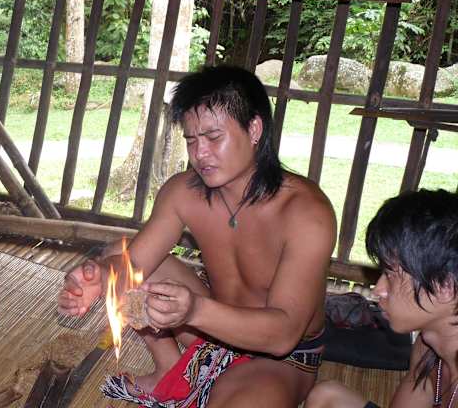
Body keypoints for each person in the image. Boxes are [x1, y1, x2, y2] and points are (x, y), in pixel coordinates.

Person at [58, 65, 337, 407]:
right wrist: (100, 276)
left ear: (254, 129)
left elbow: (282, 335)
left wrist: (194, 311)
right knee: (121, 254)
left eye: (213, 138)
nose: (199, 153)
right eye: (191, 140)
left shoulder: (307, 214)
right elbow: (134, 265)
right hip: (212, 330)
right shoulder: (183, 192)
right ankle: (169, 368)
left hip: (280, 358)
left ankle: (206, 378)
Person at [306, 189, 458, 408]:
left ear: (445, 286)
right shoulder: (429, 344)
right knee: (327, 396)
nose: (378, 290)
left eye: (390, 275)